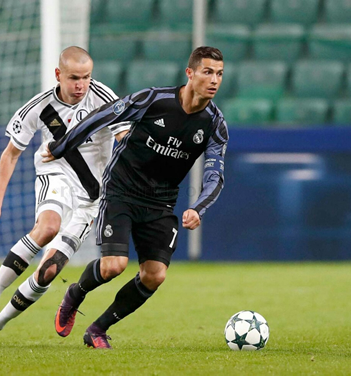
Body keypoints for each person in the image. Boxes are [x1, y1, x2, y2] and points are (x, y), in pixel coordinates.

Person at [43, 46, 228, 348]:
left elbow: (214, 174)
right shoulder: (154, 99)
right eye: (208, 72)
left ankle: (97, 329)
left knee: (155, 275)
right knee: (113, 266)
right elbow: (104, 115)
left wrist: (198, 208)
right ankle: (76, 293)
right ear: (190, 73)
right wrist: (62, 145)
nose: (214, 80)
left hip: (161, 203)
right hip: (122, 190)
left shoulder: (215, 124)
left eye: (219, 74)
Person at [0, 46, 130, 346]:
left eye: (86, 77)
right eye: (74, 77)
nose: (80, 85)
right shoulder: (39, 107)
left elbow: (124, 140)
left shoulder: (104, 98)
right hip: (57, 175)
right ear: (58, 75)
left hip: (92, 196)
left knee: (50, 270)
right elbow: (10, 155)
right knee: (47, 227)